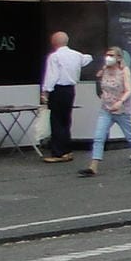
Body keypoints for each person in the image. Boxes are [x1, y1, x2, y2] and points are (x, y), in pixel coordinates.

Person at [81, 47, 131, 176]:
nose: (108, 57)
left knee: (130, 135)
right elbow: (101, 86)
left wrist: (120, 101)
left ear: (119, 58)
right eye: (107, 55)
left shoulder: (124, 71)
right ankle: (93, 166)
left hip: (121, 110)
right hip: (106, 108)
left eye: (111, 55)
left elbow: (128, 90)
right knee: (99, 136)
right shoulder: (105, 69)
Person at [40, 31, 95, 163]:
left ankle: (58, 152)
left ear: (54, 42)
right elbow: (88, 58)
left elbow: (51, 75)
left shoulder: (54, 57)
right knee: (66, 120)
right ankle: (67, 150)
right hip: (70, 90)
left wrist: (45, 91)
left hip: (58, 89)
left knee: (56, 120)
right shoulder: (76, 55)